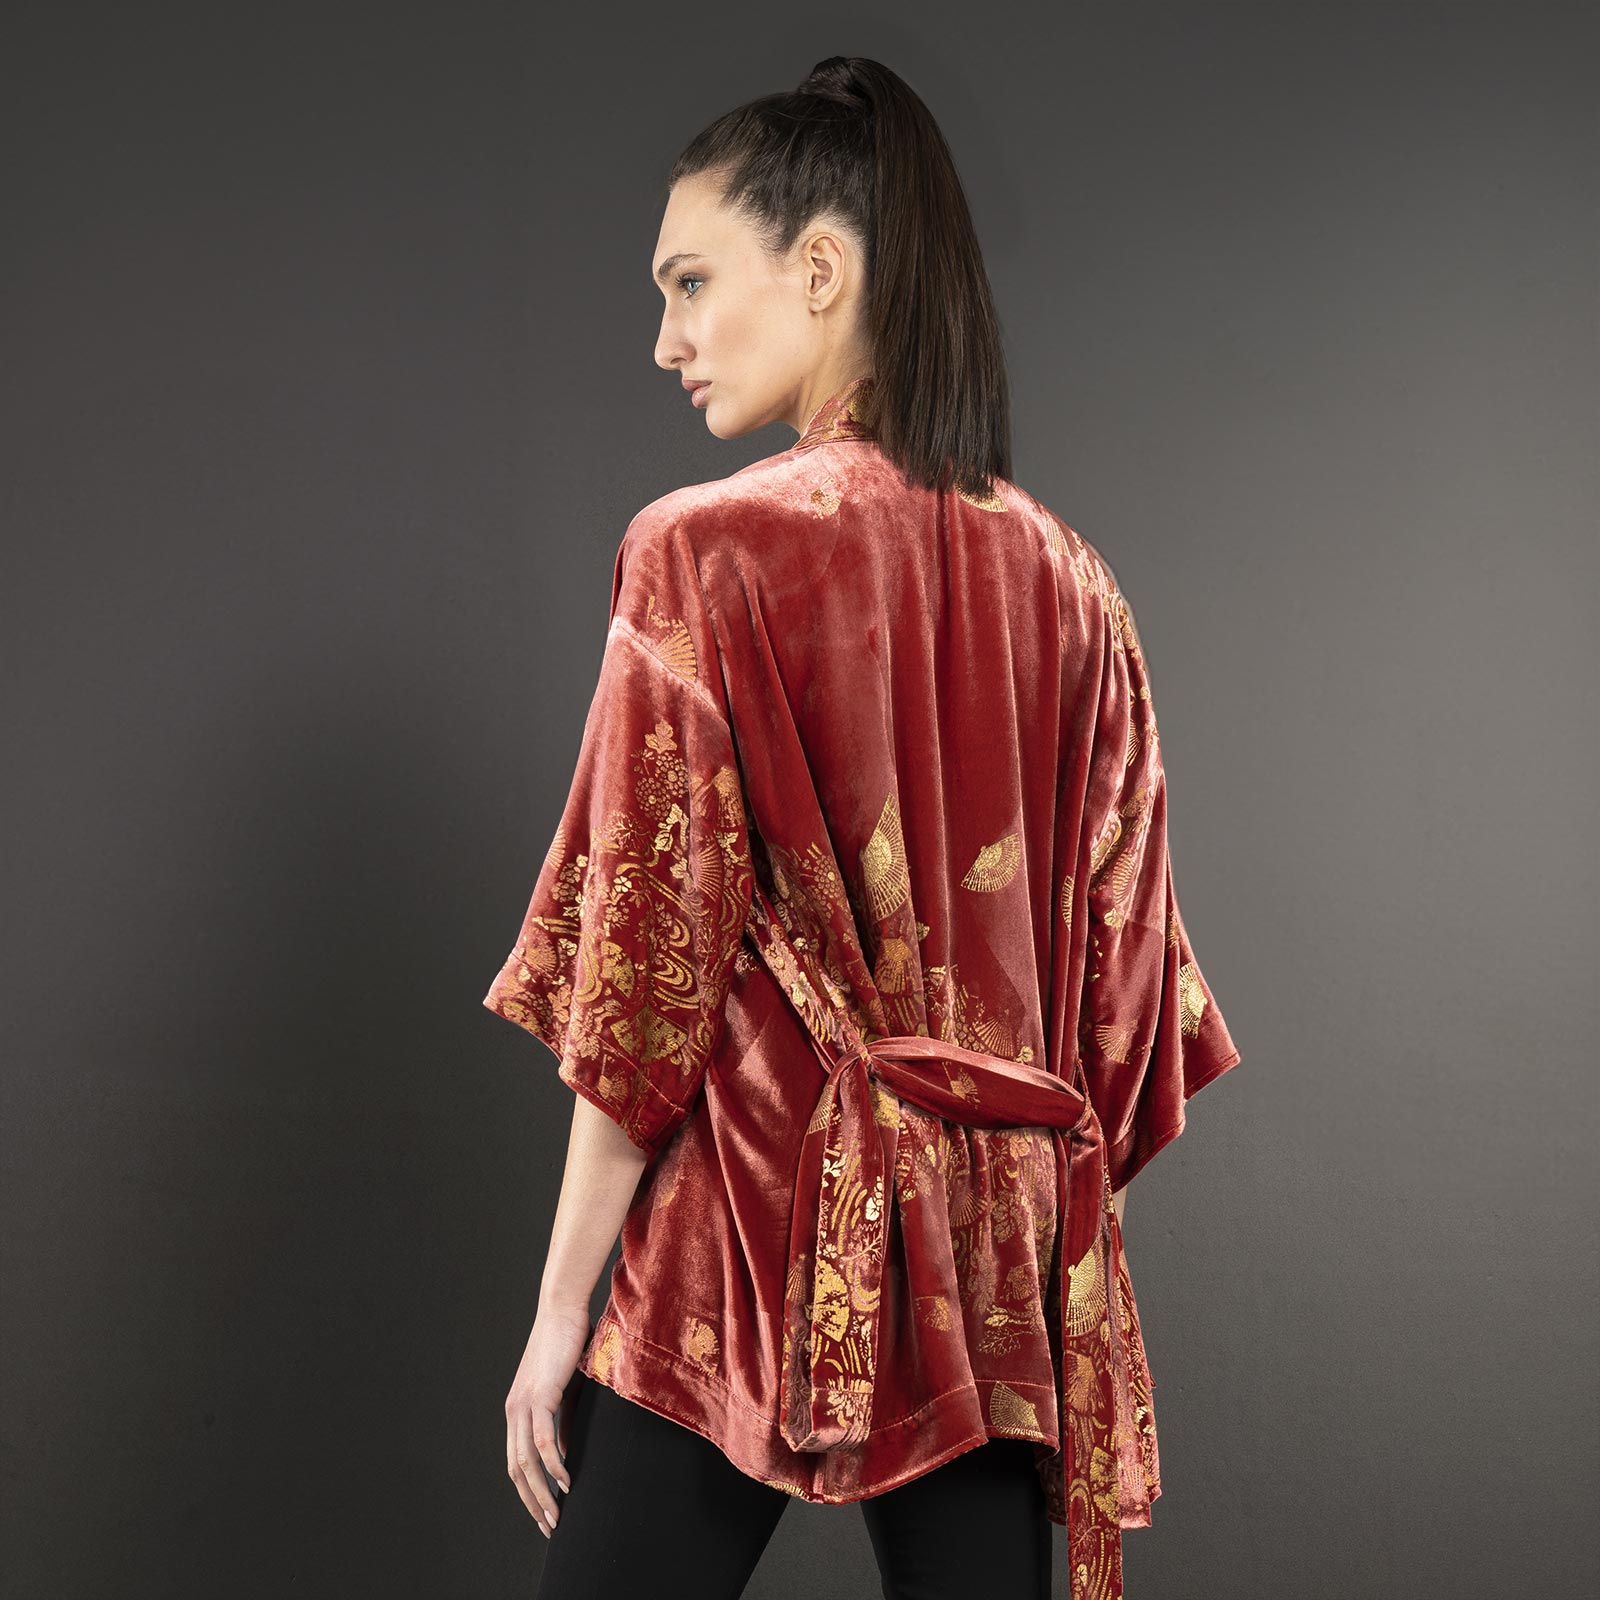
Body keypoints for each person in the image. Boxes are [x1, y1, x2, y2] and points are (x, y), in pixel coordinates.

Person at [484, 54, 1242, 1600]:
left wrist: (560, 1315)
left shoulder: (701, 553)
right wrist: (1003, 1192)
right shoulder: (1081, 590)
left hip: (754, 1225)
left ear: (822, 270)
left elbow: (641, 986)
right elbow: (1126, 1018)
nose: (667, 338)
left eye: (692, 282)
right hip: (991, 1269)